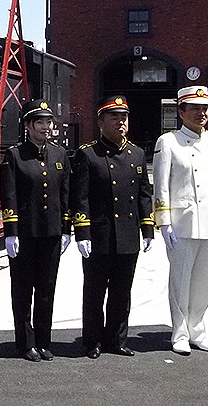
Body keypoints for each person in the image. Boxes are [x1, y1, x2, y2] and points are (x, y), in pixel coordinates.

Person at [70, 96, 154, 359]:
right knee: (94, 292)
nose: (121, 122)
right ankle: (92, 340)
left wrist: (148, 228)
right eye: (114, 117)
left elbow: (143, 194)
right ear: (100, 122)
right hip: (100, 234)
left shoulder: (137, 154)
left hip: (127, 234)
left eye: (124, 117)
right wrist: (82, 232)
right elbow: (80, 197)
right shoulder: (88, 154)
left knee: (121, 292)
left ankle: (117, 340)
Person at [153, 85, 208, 356]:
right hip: (182, 223)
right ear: (181, 111)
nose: (201, 113)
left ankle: (199, 332)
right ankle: (180, 334)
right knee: (180, 282)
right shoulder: (169, 142)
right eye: (195, 108)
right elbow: (161, 185)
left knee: (203, 283)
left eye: (205, 109)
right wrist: (164, 221)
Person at [0, 99, 72, 362]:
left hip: (51, 233)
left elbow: (66, 194)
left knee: (46, 289)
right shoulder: (15, 155)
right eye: (39, 122)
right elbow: (10, 196)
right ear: (28, 126)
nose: (46, 127)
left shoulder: (60, 154)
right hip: (25, 234)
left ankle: (43, 340)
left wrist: (66, 228)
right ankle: (25, 342)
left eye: (49, 121)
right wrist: (11, 231)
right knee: (22, 290)